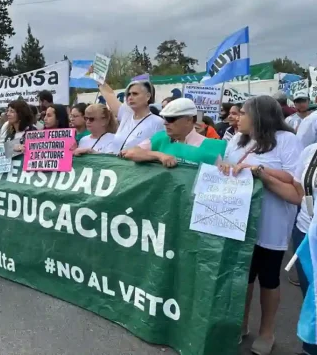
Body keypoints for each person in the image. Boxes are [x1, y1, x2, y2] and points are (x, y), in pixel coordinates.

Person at [218, 95, 302, 355]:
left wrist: (260, 173)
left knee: (268, 279)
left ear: (259, 116)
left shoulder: (287, 141)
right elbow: (226, 165)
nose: (237, 117)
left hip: (271, 224)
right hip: (238, 222)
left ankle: (267, 332)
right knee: (243, 277)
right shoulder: (236, 139)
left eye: (242, 113)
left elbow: (294, 184)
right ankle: (240, 325)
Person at [122, 98, 226, 167]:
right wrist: (159, 155)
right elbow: (130, 153)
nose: (165, 123)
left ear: (189, 120)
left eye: (171, 119)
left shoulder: (213, 147)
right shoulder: (160, 138)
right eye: (165, 118)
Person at [291, 143, 317, 355]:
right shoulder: (310, 151)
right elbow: (298, 185)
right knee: (310, 295)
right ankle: (310, 348)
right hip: (305, 232)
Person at [99, 80, 164, 154]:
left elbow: (161, 149)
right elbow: (109, 94)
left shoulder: (158, 122)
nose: (130, 97)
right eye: (129, 94)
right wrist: (97, 77)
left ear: (148, 96)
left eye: (135, 94)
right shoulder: (126, 114)